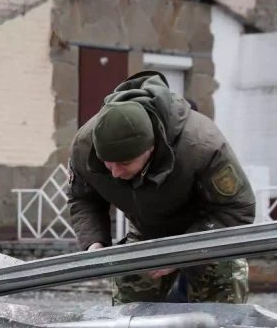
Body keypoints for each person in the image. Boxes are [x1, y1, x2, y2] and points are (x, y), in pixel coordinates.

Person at [66, 71, 255, 304]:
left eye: (124, 164)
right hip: (148, 232)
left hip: (207, 234)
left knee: (221, 321)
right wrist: (94, 243)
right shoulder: (84, 146)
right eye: (107, 163)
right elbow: (82, 198)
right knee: (127, 319)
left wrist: (181, 252)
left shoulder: (202, 145)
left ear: (150, 149)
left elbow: (238, 208)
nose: (114, 173)